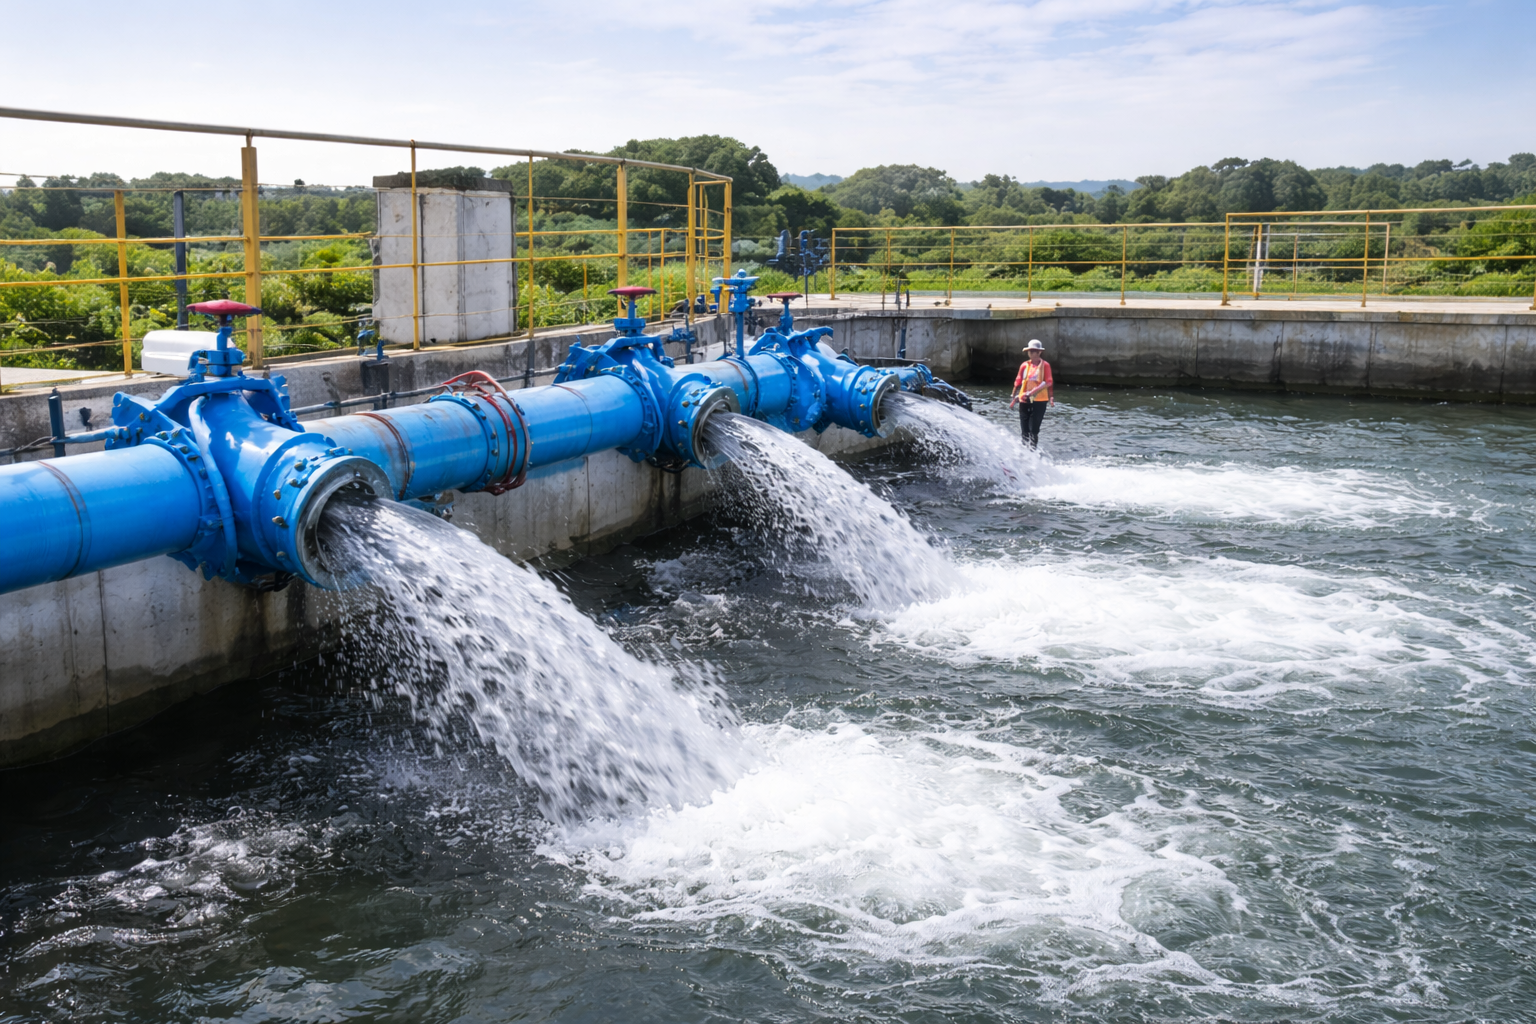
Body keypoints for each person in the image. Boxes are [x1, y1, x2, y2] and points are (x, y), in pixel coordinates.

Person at [1008, 339, 1054, 448]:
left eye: (1033, 351)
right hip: (1024, 400)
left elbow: (1049, 381)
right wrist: (1013, 395)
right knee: (1024, 430)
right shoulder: (1025, 365)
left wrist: (1051, 397)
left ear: (1039, 352)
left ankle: (1033, 451)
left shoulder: (1045, 365)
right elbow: (1018, 380)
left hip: (1039, 401)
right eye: (1029, 351)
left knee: (1034, 430)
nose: (1031, 353)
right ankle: (1025, 452)